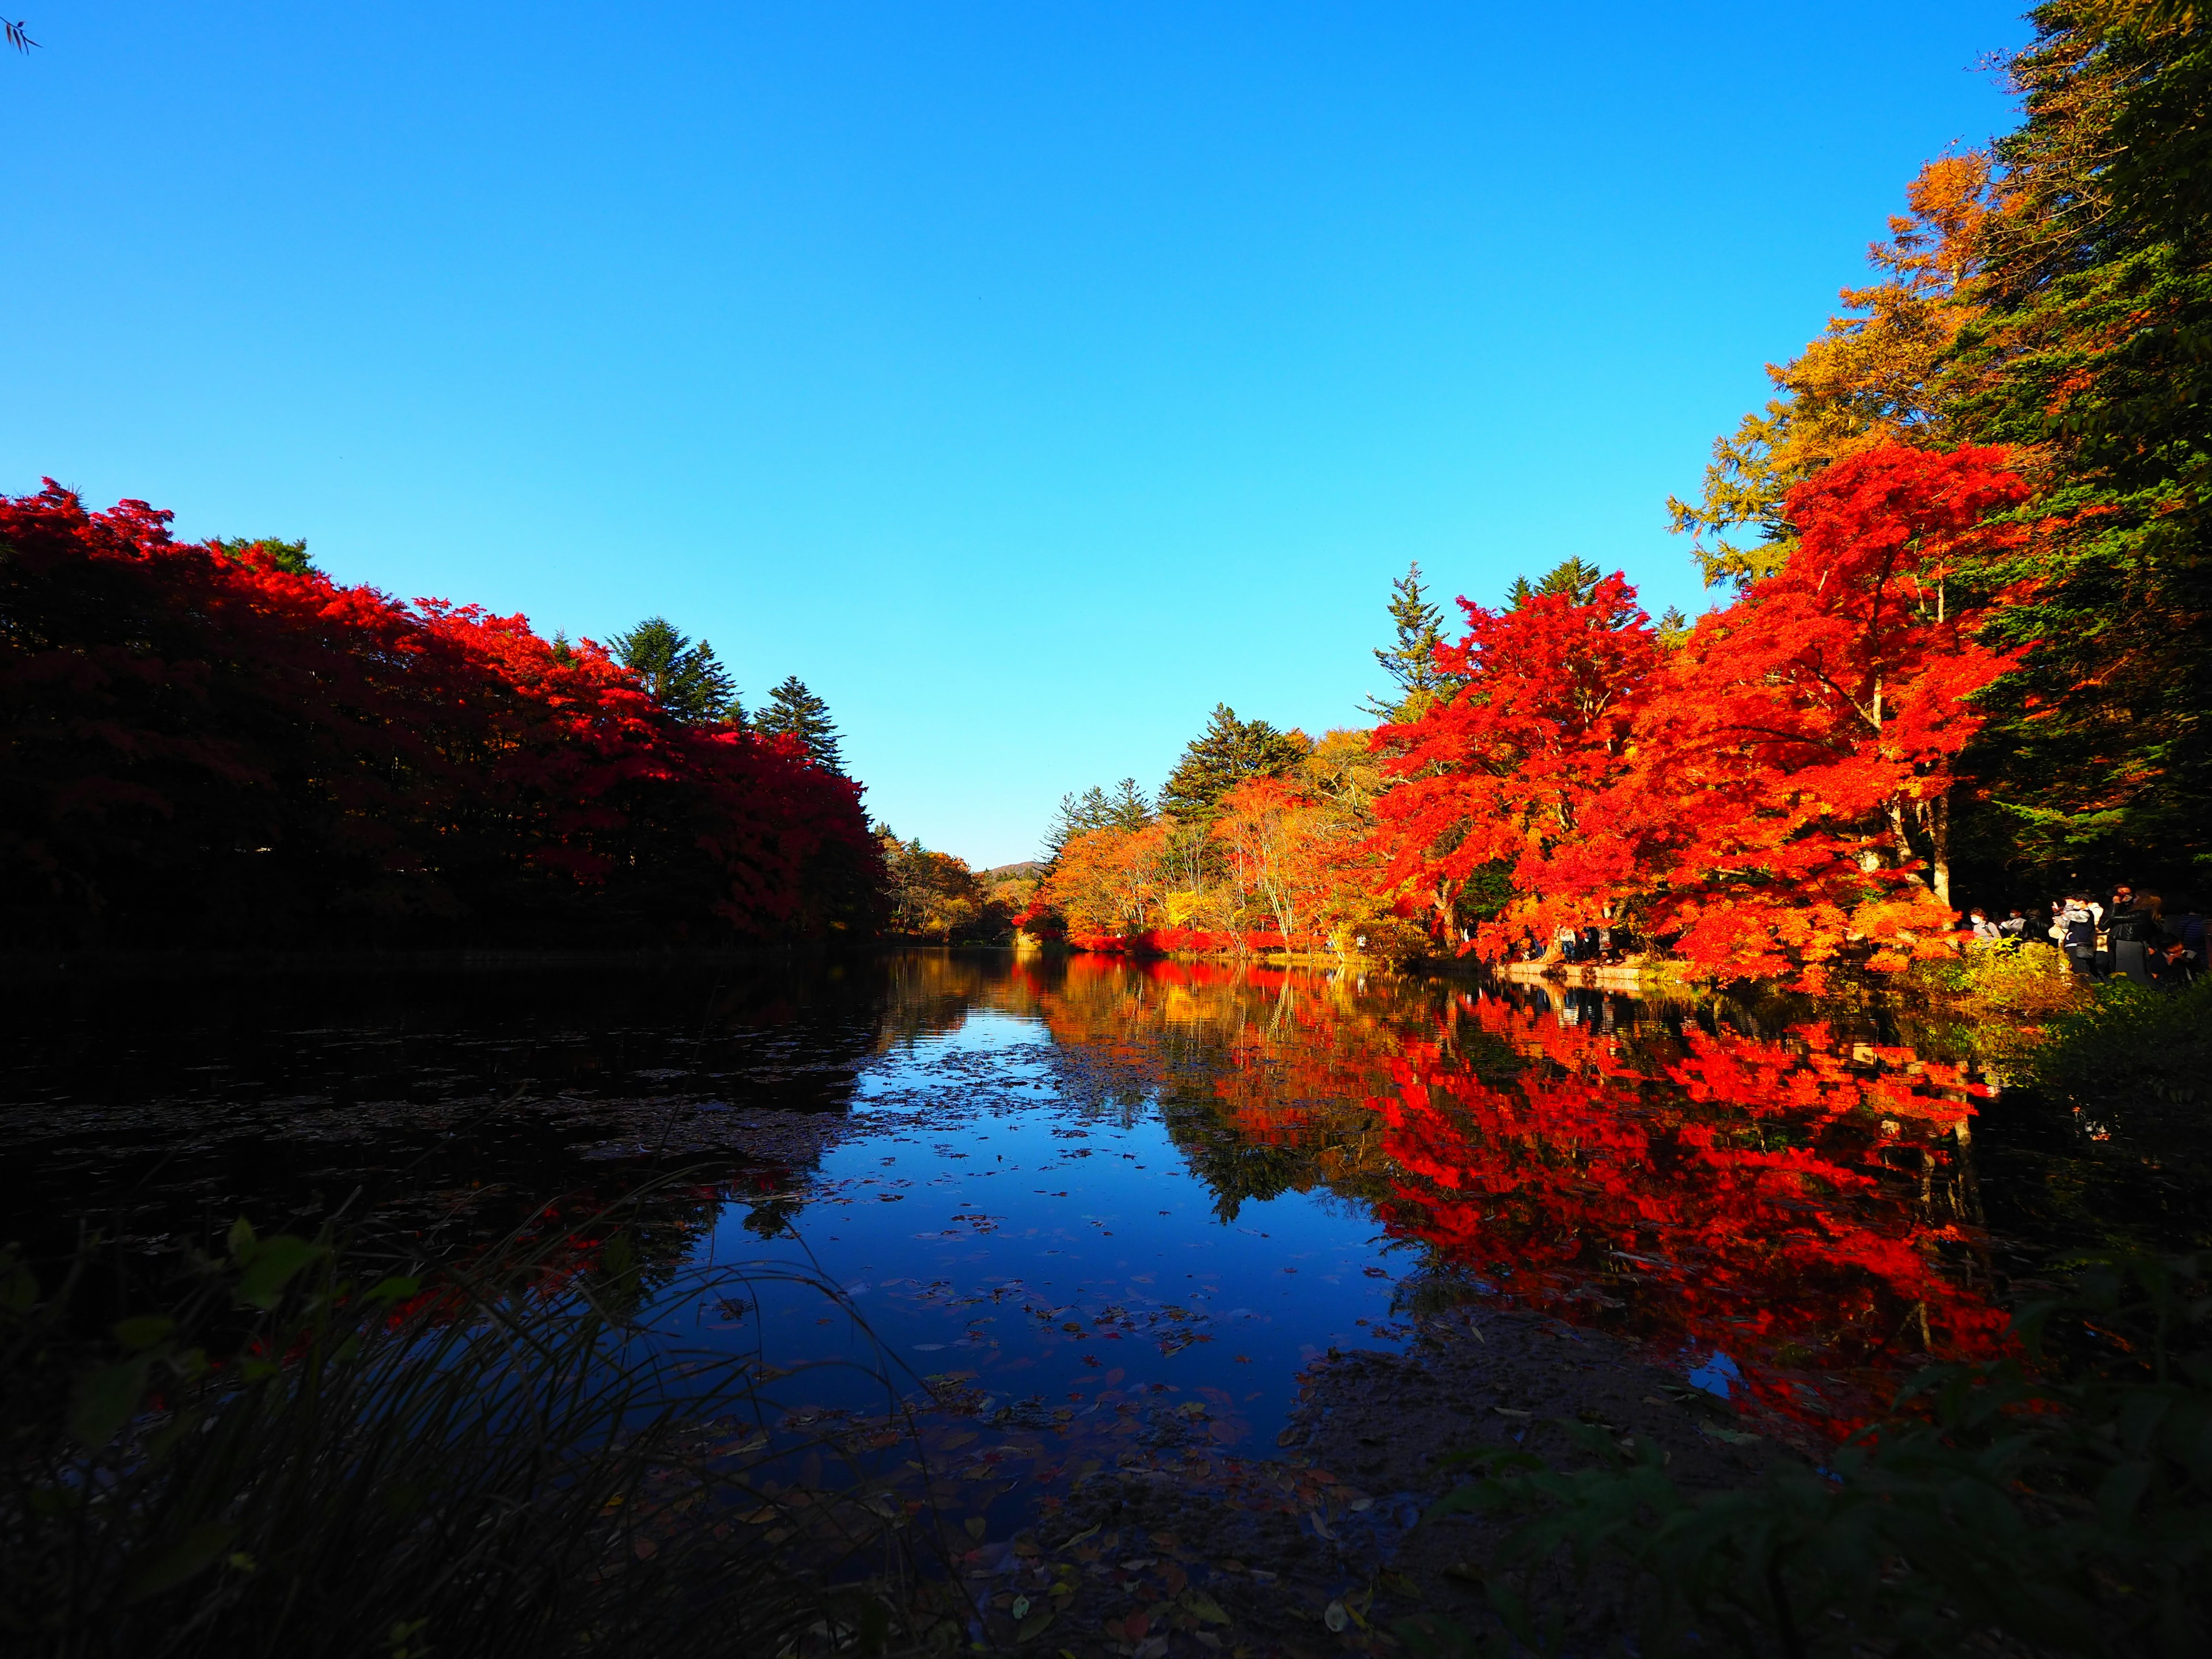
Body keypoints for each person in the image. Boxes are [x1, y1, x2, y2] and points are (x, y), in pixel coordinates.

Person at [2105, 884, 2158, 984]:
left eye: (2136, 897)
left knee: (2128, 969)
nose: (2133, 899)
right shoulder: (2138, 912)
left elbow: (2113, 918)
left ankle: (2132, 989)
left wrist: (2115, 904)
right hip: (2125, 941)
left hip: (2129, 943)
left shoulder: (2141, 913)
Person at [2057, 893, 2102, 978]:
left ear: (2081, 902)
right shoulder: (2079, 914)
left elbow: (2069, 914)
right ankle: (2090, 987)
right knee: (2078, 970)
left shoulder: (2086, 914)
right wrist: (2057, 914)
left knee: (2081, 971)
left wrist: (2069, 904)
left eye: (2074, 904)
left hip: (2079, 945)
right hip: (2073, 945)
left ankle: (2092, 988)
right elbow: (2064, 925)